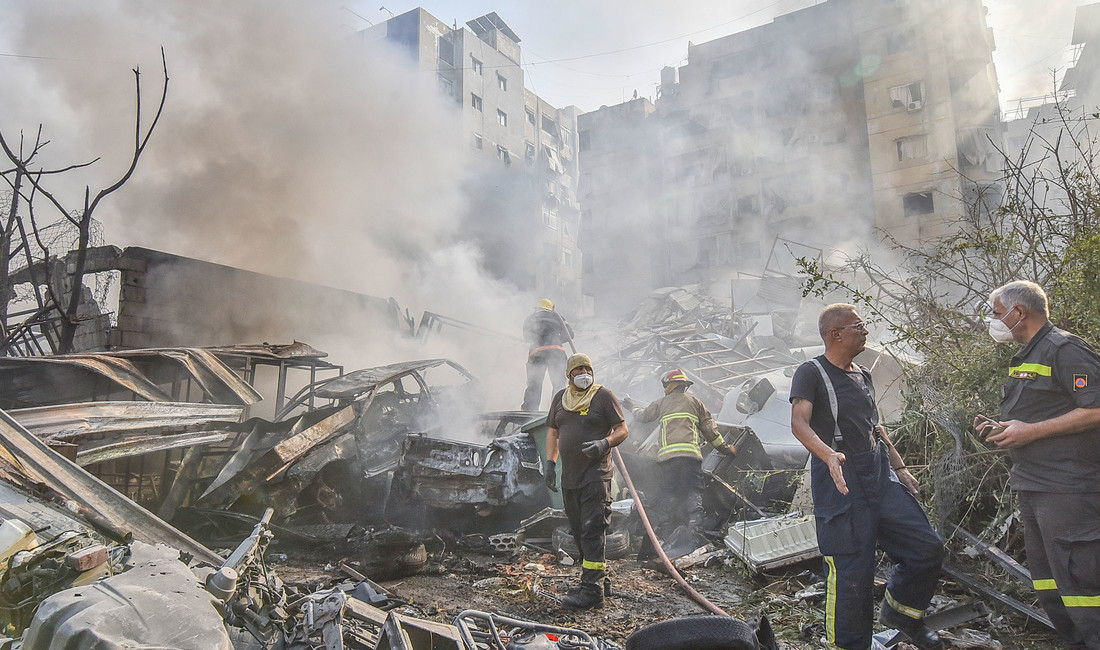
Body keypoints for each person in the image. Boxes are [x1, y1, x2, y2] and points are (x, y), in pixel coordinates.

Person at [790, 303, 945, 650]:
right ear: (835, 334)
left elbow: (875, 426)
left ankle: (901, 614)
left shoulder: (863, 374)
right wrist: (828, 454)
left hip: (878, 474)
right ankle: (849, 645)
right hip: (840, 481)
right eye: (858, 325)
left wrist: (900, 468)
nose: (865, 331)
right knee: (851, 573)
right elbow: (799, 422)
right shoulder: (811, 372)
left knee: (926, 547)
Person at [974, 281, 1100, 650]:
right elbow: (1036, 415)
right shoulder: (1029, 353)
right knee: (1049, 584)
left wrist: (1031, 432)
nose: (993, 321)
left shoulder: (1064, 349)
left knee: (1083, 586)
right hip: (1033, 486)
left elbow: (1096, 408)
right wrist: (1004, 431)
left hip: (1069, 488)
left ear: (1019, 313)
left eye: (997, 314)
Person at [544, 353, 629, 609]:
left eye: (588, 369)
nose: (584, 373)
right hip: (570, 477)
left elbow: (622, 430)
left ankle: (592, 593)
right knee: (580, 531)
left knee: (593, 529)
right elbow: (552, 432)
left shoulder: (603, 396)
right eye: (578, 369)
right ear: (569, 374)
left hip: (596, 475)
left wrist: (604, 443)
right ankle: (596, 579)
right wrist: (550, 463)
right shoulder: (560, 398)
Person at [627, 368, 736, 550]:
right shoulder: (696, 403)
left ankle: (662, 532)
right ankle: (695, 531)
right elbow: (711, 432)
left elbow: (643, 416)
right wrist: (726, 449)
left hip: (668, 460)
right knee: (692, 492)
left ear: (669, 386)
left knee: (669, 492)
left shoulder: (662, 403)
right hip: (690, 458)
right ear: (684, 386)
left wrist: (630, 405)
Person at [521, 299, 574, 411]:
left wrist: (539, 340)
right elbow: (570, 335)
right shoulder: (558, 317)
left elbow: (527, 337)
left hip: (536, 353)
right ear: (551, 308)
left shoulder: (530, 318)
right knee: (559, 384)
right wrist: (555, 340)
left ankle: (528, 413)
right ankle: (558, 411)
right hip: (556, 352)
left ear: (537, 308)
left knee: (534, 384)